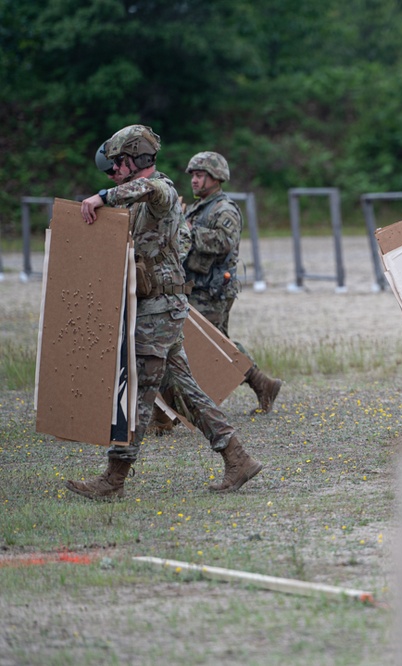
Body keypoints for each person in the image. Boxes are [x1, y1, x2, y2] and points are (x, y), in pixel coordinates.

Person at [69, 125, 262, 499]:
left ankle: (114, 479)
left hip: (161, 308)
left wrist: (102, 197)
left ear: (134, 160)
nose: (112, 173)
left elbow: (149, 190)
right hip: (159, 305)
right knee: (187, 390)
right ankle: (238, 459)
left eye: (116, 166)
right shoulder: (140, 202)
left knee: (138, 390)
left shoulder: (160, 189)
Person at [182, 151, 281, 413]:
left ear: (216, 177)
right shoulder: (200, 207)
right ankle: (263, 384)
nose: (194, 180)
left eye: (200, 175)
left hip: (213, 290)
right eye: (193, 175)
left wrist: (190, 233)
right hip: (200, 286)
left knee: (209, 345)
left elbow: (225, 242)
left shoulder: (224, 209)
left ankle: (260, 385)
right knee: (218, 344)